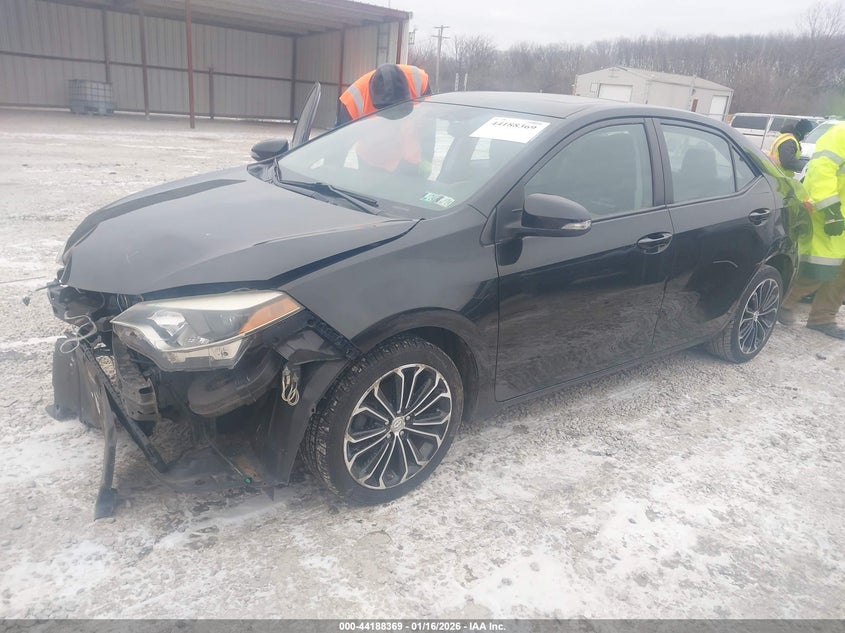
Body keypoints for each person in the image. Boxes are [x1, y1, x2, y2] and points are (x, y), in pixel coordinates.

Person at [779, 123, 845, 338]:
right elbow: (820, 171)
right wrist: (831, 210)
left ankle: (823, 318)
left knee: (841, 273)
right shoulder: (840, 133)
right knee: (819, 267)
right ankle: (784, 302)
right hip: (829, 213)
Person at [337, 63, 430, 126]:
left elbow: (429, 121)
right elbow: (341, 142)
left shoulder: (418, 80)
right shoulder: (353, 101)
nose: (395, 118)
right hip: (372, 145)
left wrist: (427, 150)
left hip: (409, 142)